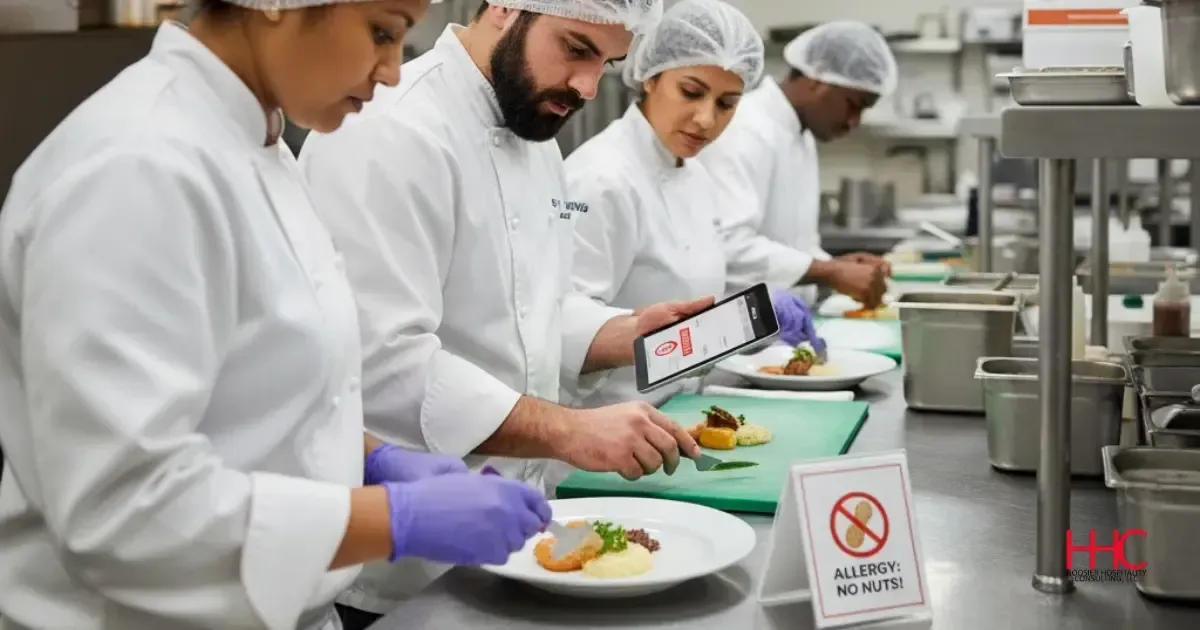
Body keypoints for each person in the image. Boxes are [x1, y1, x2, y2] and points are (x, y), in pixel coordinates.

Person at [0, 2, 554, 629]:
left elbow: (253, 396)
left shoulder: (257, 143)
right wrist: (394, 519)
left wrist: (368, 458)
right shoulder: (136, 165)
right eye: (381, 32)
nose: (392, 71)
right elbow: (124, 510)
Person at [298, 0, 707, 622]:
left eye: (606, 63)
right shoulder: (392, 130)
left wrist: (618, 333)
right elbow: (382, 360)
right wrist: (569, 431)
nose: (587, 86)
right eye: (576, 49)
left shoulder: (533, 131)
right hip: (400, 567)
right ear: (506, 8)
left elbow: (531, 306)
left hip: (518, 535)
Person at [563, 0, 826, 408]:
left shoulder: (695, 175)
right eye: (691, 92)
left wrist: (748, 320)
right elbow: (566, 331)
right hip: (610, 423)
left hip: (680, 409)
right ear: (650, 78)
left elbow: (686, 303)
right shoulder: (602, 179)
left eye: (726, 103)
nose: (706, 119)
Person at [698, 20, 899, 308]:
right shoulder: (743, 128)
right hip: (740, 326)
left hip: (788, 322)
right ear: (818, 77)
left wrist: (837, 266)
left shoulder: (800, 135)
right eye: (853, 105)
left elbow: (793, 246)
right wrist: (829, 272)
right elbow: (728, 247)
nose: (854, 122)